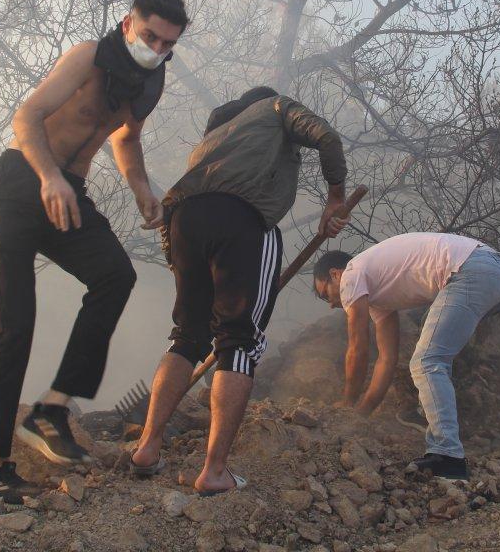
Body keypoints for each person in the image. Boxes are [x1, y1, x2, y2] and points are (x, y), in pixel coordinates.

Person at [0, 0, 187, 502]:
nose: (155, 49)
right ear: (127, 22)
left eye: (166, 45)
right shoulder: (87, 56)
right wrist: (49, 176)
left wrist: (143, 191)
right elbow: (26, 117)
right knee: (14, 326)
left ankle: (51, 410)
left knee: (116, 275)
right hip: (20, 183)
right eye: (149, 35)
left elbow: (126, 139)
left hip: (70, 193)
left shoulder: (148, 82)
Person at [129, 86, 348, 496]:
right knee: (239, 342)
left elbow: (179, 221)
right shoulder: (276, 107)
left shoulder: (212, 140)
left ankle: (146, 448)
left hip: (183, 223)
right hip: (243, 221)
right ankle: (214, 472)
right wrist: (335, 198)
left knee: (187, 336)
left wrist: (182, 264)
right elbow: (327, 137)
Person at [312, 233, 500, 481]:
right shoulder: (378, 297)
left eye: (324, 294)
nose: (331, 304)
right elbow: (386, 359)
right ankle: (435, 428)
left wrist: (346, 404)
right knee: (432, 357)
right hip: (496, 274)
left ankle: (447, 456)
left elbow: (358, 347)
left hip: (472, 269)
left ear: (335, 274)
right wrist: (361, 412)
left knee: (427, 361)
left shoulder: (352, 272)